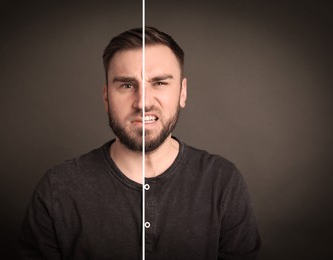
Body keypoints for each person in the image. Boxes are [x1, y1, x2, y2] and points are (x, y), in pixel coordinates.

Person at [19, 26, 261, 259]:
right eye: (126, 85)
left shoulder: (222, 181)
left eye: (159, 83)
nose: (143, 102)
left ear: (182, 92)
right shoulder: (57, 188)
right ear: (106, 97)